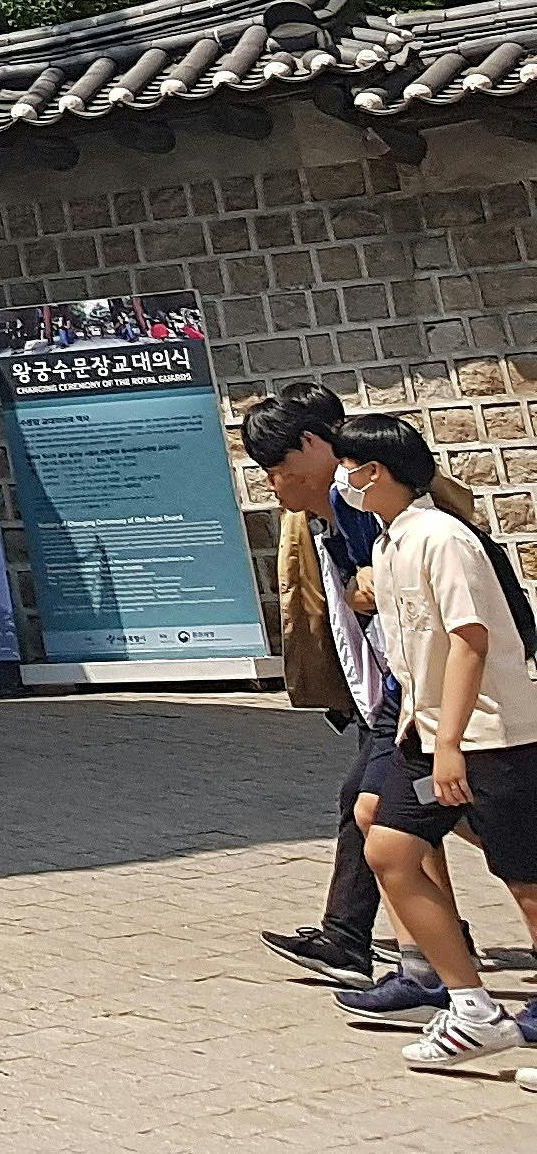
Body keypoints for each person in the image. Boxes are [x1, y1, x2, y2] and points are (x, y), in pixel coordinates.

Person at [332, 411, 537, 1075]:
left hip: (491, 736)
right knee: (387, 843)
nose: (344, 479)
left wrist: (451, 745)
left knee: (525, 879)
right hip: (423, 733)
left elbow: (470, 641)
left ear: (376, 472)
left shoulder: (443, 539)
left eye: (349, 467)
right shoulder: (390, 544)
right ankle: (472, 1007)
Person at [242, 386, 406, 991]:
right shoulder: (323, 510)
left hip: (414, 689)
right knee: (385, 811)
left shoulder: (363, 502)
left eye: (277, 465)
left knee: (389, 809)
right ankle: (397, 944)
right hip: (386, 689)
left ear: (313, 444)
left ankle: (380, 947)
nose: (272, 481)